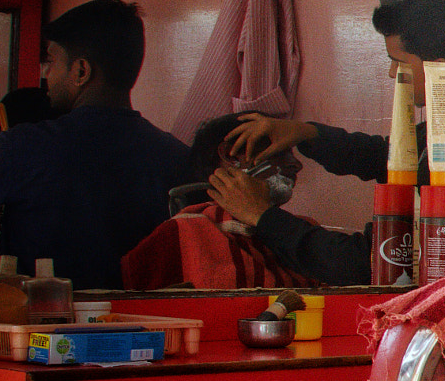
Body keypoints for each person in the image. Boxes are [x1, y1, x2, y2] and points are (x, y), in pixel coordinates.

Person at [0, 0, 190, 288]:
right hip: (148, 326)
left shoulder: (20, 148)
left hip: (45, 327)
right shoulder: (178, 158)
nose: (47, 74)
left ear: (81, 71)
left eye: (51, 61)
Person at [224, 0, 445, 195]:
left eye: (399, 62)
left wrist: (261, 217)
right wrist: (306, 133)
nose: (393, 74)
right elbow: (387, 156)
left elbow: (372, 254)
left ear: (440, 69)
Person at [120, 113, 365, 288]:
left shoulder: (304, 230)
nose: (298, 164)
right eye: (280, 152)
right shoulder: (187, 232)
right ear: (232, 156)